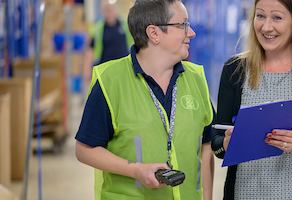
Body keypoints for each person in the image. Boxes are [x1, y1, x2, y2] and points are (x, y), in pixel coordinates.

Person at [75, 0, 214, 199]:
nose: (191, 32)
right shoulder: (110, 82)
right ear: (154, 33)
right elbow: (84, 149)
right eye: (182, 25)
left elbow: (207, 144)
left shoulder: (196, 78)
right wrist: (135, 170)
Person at [211, 0, 292, 200]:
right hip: (245, 193)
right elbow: (216, 141)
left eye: (277, 18)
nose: (266, 27)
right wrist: (229, 143)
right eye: (260, 16)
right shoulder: (235, 69)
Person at [86, 0, 134, 66]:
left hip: (123, 66)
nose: (109, 13)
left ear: (115, 10)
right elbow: (90, 51)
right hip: (104, 67)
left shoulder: (125, 25)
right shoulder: (97, 29)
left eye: (111, 10)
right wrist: (87, 71)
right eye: (106, 10)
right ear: (103, 12)